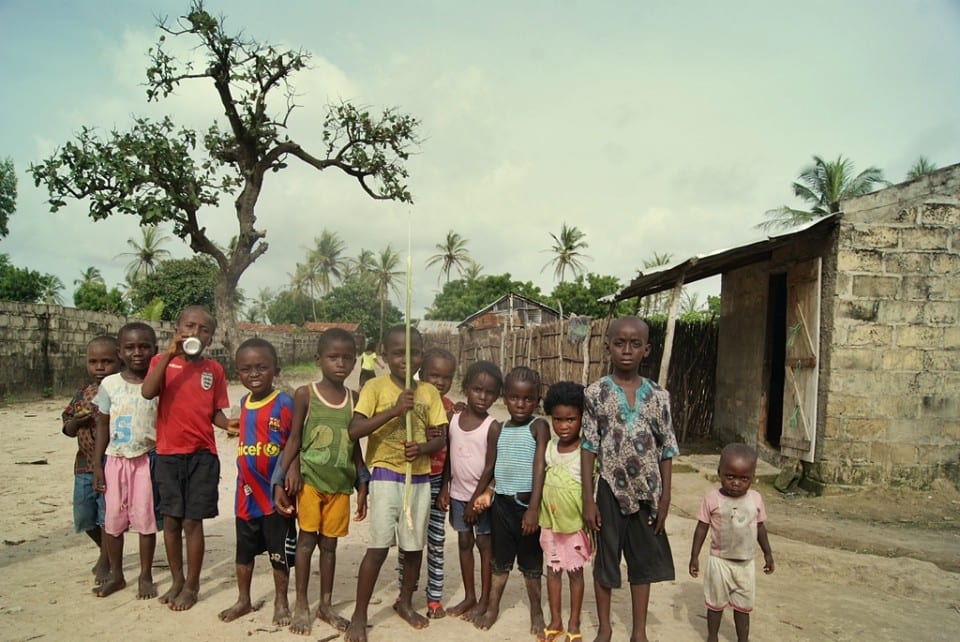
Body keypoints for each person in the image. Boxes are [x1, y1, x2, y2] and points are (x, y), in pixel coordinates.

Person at [343, 326, 448, 642]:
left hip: (419, 478)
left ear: (421, 354)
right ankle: (360, 615)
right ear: (384, 355)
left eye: (414, 352)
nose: (407, 359)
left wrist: (422, 449)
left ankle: (405, 601)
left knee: (413, 548)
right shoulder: (375, 387)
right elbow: (354, 430)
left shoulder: (428, 392)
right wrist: (394, 411)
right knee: (377, 548)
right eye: (398, 353)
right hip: (387, 475)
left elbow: (440, 436)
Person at [581, 316, 679, 642]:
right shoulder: (596, 393)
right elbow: (588, 447)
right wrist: (587, 499)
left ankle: (639, 632)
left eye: (635, 344)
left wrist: (665, 498)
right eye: (620, 343)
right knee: (605, 561)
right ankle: (605, 628)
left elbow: (666, 449)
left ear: (646, 349)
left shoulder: (659, 396)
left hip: (648, 492)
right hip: (609, 489)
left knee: (643, 561)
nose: (626, 350)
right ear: (607, 346)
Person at [274, 328, 368, 636]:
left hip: (340, 485)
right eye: (333, 357)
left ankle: (325, 604)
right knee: (306, 542)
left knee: (330, 546)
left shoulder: (355, 399)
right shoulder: (306, 394)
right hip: (310, 482)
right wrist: (283, 476)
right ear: (319, 359)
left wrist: (361, 483)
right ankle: (302, 603)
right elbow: (294, 439)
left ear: (355, 361)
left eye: (347, 358)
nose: (340, 364)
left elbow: (354, 447)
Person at [142, 305, 231, 611]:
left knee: (193, 522)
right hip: (167, 455)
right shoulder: (161, 361)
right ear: (178, 329)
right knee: (170, 521)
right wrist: (168, 354)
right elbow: (147, 392)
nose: (196, 333)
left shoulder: (214, 370)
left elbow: (215, 412)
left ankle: (192, 585)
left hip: (202, 456)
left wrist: (228, 424)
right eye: (190, 326)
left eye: (204, 329)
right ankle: (177, 580)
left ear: (211, 337)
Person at [218, 338, 296, 626]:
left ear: (275, 369)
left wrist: (286, 478)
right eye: (246, 368)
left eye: (262, 367)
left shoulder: (284, 403)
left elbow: (293, 444)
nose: (254, 374)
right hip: (246, 494)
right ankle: (243, 599)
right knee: (244, 551)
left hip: (274, 494)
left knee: (278, 552)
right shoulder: (243, 403)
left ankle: (281, 601)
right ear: (237, 372)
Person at [471, 366, 550, 636]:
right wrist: (477, 496)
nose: (521, 404)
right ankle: (493, 607)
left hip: (527, 507)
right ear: (504, 397)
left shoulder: (539, 426)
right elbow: (490, 466)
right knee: (499, 562)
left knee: (531, 565)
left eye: (528, 399)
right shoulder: (499, 429)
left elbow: (540, 467)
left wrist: (533, 509)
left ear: (537, 400)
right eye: (515, 397)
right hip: (501, 506)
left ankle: (537, 611)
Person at [90, 322, 160, 599]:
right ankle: (117, 575)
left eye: (144, 346)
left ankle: (145, 575)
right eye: (130, 347)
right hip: (114, 460)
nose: (138, 353)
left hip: (145, 460)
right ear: (120, 352)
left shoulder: (158, 383)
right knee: (113, 522)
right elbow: (102, 426)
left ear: (154, 350)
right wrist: (97, 465)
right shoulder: (109, 384)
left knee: (145, 521)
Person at [437, 360, 502, 622]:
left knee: (485, 544)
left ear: (496, 395)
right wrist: (444, 487)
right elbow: (449, 458)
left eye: (489, 392)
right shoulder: (453, 419)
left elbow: (490, 467)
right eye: (477, 389)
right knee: (464, 542)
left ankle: (485, 599)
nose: (482, 396)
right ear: (465, 388)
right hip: (457, 494)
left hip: (480, 499)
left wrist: (475, 500)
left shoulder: (492, 426)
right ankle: (470, 595)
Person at [689, 443, 775, 642]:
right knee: (715, 605)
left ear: (752, 477)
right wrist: (694, 557)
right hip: (719, 562)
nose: (736, 483)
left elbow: (760, 528)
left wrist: (768, 553)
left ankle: (742, 639)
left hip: (745, 564)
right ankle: (712, 637)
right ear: (720, 472)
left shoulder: (755, 499)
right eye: (730, 476)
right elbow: (701, 528)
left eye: (744, 478)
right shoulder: (711, 499)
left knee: (743, 608)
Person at [397, 348, 459, 619]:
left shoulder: (452, 411)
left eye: (446, 377)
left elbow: (451, 456)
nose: (440, 382)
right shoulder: (413, 401)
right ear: (421, 374)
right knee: (408, 539)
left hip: (435, 481)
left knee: (435, 540)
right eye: (434, 375)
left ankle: (434, 597)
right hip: (412, 478)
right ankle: (404, 593)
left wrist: (445, 487)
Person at [62, 335, 120, 586]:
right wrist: (77, 421)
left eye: (106, 361)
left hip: (111, 465)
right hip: (84, 467)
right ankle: (103, 550)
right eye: (93, 362)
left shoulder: (121, 391)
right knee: (85, 515)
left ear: (120, 360)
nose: (99, 367)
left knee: (108, 516)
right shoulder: (82, 394)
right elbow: (67, 428)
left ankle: (107, 560)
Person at [539, 381, 591, 642]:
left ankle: (574, 622)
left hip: (573, 525)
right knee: (553, 570)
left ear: (581, 418)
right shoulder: (549, 448)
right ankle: (556, 620)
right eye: (557, 419)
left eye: (571, 419)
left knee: (575, 573)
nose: (563, 426)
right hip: (549, 523)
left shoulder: (585, 452)